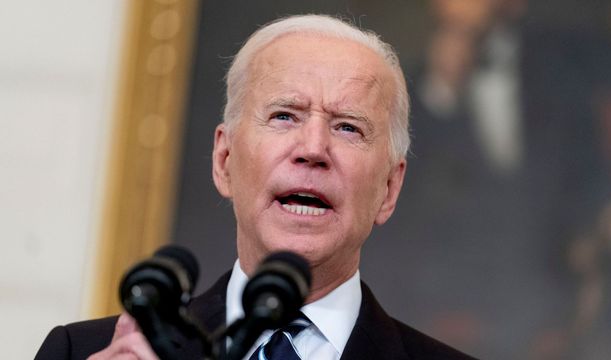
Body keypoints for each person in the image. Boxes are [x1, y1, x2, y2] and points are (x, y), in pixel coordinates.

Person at [35, 14, 476, 360]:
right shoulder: (81, 352)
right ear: (224, 160)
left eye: (347, 127)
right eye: (284, 115)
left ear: (389, 188)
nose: (313, 147)